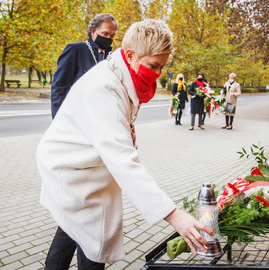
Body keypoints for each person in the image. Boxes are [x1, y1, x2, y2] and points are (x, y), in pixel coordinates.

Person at [37, 19, 214, 270]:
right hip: (72, 170)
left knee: (72, 231)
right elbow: (123, 161)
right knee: (93, 239)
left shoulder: (121, 71)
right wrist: (174, 215)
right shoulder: (104, 88)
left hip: (87, 166)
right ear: (130, 55)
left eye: (162, 67)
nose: (157, 74)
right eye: (154, 65)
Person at [51, 13, 118, 119]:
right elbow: (59, 86)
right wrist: (58, 118)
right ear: (93, 31)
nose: (108, 38)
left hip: (101, 117)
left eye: (112, 35)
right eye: (105, 34)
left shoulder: (112, 57)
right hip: (77, 114)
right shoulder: (75, 50)